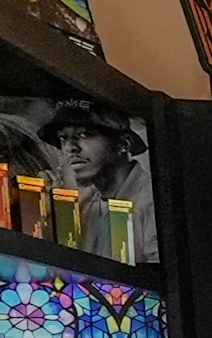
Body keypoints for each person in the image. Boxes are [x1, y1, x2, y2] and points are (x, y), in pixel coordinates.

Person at [39, 101, 157, 262]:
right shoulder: (85, 205)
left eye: (84, 134)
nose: (70, 147)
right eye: (63, 137)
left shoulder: (152, 201)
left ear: (124, 144)